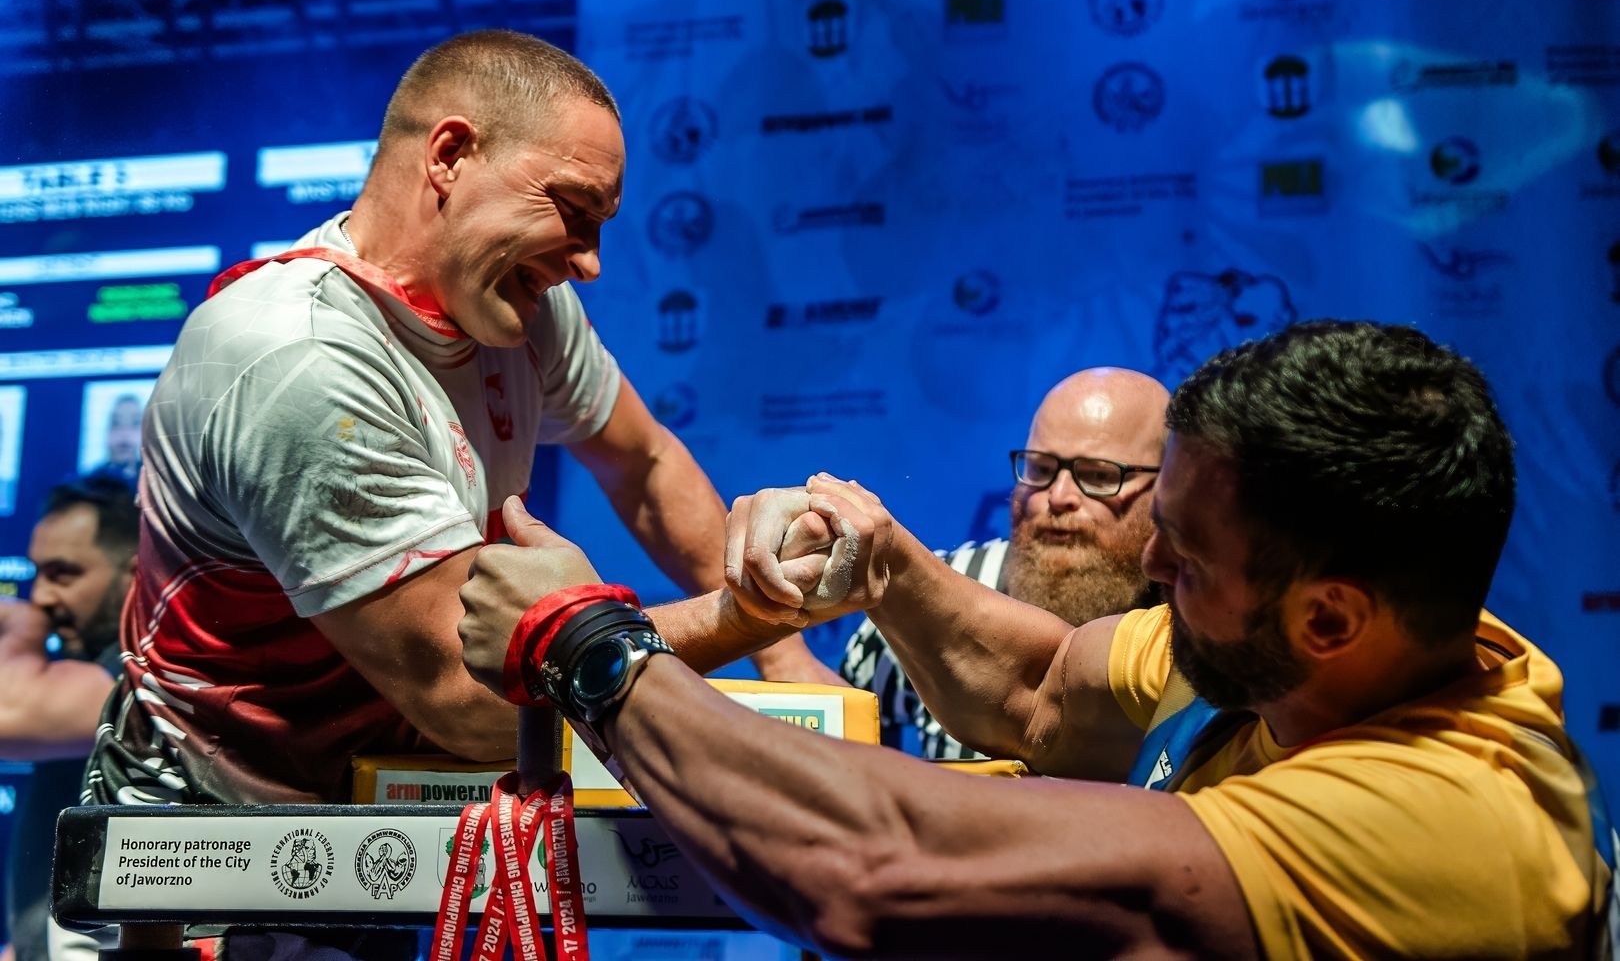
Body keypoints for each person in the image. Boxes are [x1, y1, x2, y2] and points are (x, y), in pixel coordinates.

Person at [459, 320, 1615, 958]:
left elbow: (877, 871)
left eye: (1185, 560)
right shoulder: (1328, 659)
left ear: (1326, 617)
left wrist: (589, 645)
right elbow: (1044, 692)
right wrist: (880, 557)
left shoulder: (1440, 828)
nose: (1153, 577)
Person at [86, 29, 748, 814]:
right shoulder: (299, 356)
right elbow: (465, 699)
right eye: (573, 209)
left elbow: (642, 463)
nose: (590, 263)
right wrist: (747, 615)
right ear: (449, 155)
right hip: (218, 832)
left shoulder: (524, 307)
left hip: (376, 807)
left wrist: (793, 665)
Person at [754, 367, 1169, 759]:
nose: (1057, 496)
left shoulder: (1189, 617)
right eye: (1040, 469)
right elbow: (851, 755)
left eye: (1098, 476)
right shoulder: (933, 593)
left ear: (1170, 488)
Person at [0, 477, 136, 961]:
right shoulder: (83, 671)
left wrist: (21, 624)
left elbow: (6, 716)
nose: (40, 596)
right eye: (37, 573)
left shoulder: (140, 670)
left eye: (63, 574)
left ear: (136, 574)